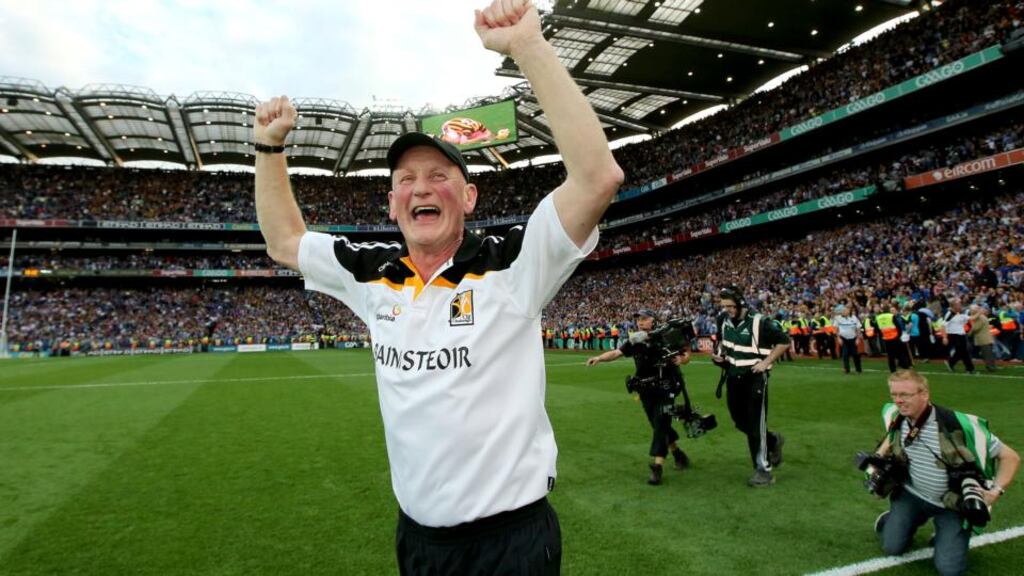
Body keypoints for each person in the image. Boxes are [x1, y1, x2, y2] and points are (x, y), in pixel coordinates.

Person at [252, 1, 625, 573]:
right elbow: (284, 241)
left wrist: (528, 45)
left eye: (439, 176)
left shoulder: (514, 261)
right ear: (393, 202)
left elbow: (598, 177)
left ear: (469, 197)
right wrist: (270, 149)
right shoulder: (369, 271)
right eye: (406, 180)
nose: (420, 187)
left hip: (512, 543)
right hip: (420, 544)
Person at [873, 370, 1019, 576]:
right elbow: (892, 431)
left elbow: (1010, 457)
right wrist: (880, 453)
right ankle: (890, 520)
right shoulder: (896, 416)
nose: (898, 401)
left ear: (924, 394)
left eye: (905, 395)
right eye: (894, 395)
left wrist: (996, 491)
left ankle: (946, 534)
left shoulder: (959, 425)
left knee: (950, 570)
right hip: (911, 495)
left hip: (952, 503)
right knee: (892, 548)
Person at [586, 309, 691, 485]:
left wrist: (683, 360)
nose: (640, 323)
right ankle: (678, 454)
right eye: (638, 320)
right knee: (659, 425)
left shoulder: (666, 336)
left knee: (661, 422)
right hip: (645, 391)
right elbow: (616, 353)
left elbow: (686, 351)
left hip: (666, 388)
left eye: (644, 319)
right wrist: (599, 357)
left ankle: (657, 467)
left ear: (653, 320)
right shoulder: (635, 340)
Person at [711, 286, 790, 487]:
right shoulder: (722, 320)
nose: (726, 309)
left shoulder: (760, 322)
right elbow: (723, 343)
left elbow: (784, 341)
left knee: (756, 425)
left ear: (740, 303)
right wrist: (719, 356)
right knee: (739, 421)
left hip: (754, 378)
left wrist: (765, 362)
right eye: (724, 306)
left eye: (730, 305)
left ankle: (763, 470)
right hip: (733, 376)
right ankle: (773, 441)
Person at [941, 298, 975, 374]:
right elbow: (943, 326)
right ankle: (969, 368)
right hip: (954, 335)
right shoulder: (950, 314)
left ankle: (951, 363)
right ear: (954, 306)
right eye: (958, 304)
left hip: (961, 334)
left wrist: (979, 312)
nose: (960, 305)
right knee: (963, 351)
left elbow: (971, 318)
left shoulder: (959, 313)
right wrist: (945, 337)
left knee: (961, 351)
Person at [832, 304, 862, 374]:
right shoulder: (838, 318)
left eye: (845, 310)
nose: (844, 312)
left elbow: (858, 329)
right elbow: (835, 329)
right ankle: (847, 370)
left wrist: (858, 338)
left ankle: (858, 369)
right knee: (845, 354)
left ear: (849, 311)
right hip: (843, 338)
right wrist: (838, 338)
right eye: (843, 311)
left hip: (853, 338)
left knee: (855, 354)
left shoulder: (854, 318)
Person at [967, 304, 997, 372]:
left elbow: (976, 328)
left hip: (982, 338)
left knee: (986, 354)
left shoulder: (979, 318)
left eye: (971, 310)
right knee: (989, 353)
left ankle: (990, 367)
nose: (970, 311)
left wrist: (969, 333)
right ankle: (992, 366)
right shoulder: (982, 316)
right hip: (986, 337)